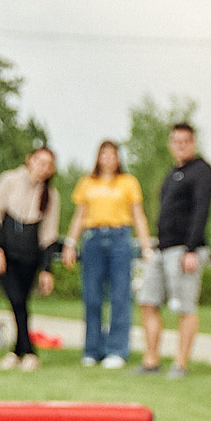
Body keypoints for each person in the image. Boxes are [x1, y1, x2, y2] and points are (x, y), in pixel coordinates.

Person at [137, 122, 211, 379]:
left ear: (193, 143)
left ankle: (180, 363)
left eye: (185, 141)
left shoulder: (202, 172)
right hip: (163, 247)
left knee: (185, 306)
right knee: (148, 302)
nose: (180, 146)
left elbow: (201, 211)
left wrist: (191, 249)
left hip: (185, 250)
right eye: (176, 141)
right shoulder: (172, 173)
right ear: (171, 144)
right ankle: (151, 360)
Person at [62, 140, 149, 369]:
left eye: (113, 155)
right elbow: (80, 215)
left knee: (120, 296)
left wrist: (146, 245)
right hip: (93, 239)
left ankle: (117, 349)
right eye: (104, 154)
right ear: (98, 158)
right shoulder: (87, 182)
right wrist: (70, 243)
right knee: (92, 296)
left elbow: (138, 214)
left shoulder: (128, 182)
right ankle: (92, 349)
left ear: (118, 158)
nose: (108, 159)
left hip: (120, 238)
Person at [0, 146, 60, 370]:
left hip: (31, 257)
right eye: (40, 161)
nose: (43, 168)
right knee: (16, 300)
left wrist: (47, 269)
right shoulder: (9, 180)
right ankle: (28, 350)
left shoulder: (51, 195)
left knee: (22, 303)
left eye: (48, 164)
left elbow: (49, 235)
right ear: (30, 160)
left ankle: (18, 352)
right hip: (7, 254)